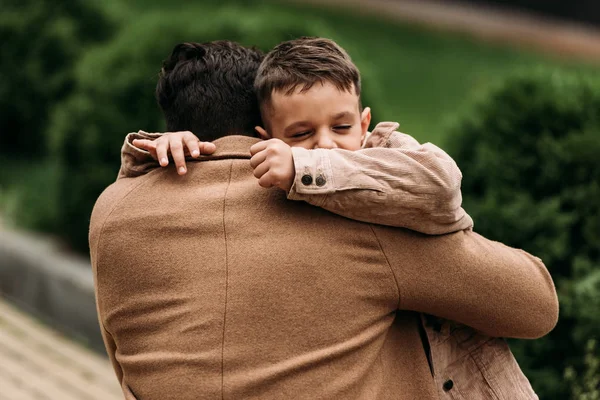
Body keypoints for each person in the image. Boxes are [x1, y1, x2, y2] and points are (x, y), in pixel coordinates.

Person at [90, 40, 558, 399]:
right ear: (263, 128)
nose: (325, 148)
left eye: (340, 126)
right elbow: (535, 305)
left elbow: (124, 366)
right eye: (301, 132)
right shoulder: (358, 215)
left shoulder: (114, 212)